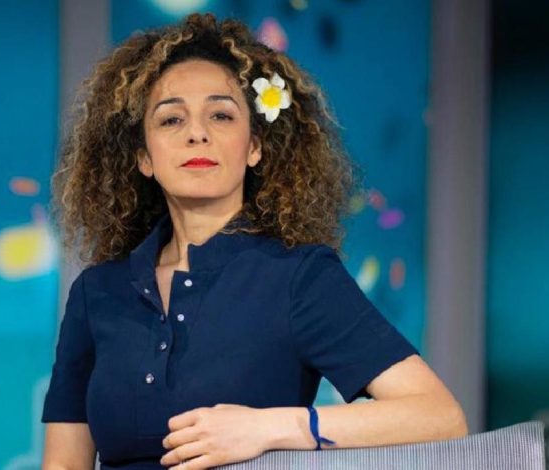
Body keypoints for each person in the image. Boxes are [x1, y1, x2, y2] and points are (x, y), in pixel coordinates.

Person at [41, 12, 467, 470]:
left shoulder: (299, 277)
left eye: (221, 115)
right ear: (144, 158)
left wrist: (267, 428)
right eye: (171, 119)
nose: (197, 133)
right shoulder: (97, 293)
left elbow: (439, 416)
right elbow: (64, 464)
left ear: (254, 147)